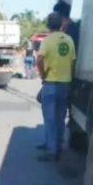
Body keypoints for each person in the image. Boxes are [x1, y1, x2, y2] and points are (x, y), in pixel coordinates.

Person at [36, 12, 76, 162]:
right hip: (65, 84)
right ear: (61, 25)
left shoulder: (47, 41)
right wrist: (70, 78)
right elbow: (72, 62)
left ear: (48, 25)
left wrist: (43, 75)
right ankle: (54, 145)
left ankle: (52, 151)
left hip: (51, 83)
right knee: (60, 118)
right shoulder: (69, 40)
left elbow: (39, 60)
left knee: (50, 118)